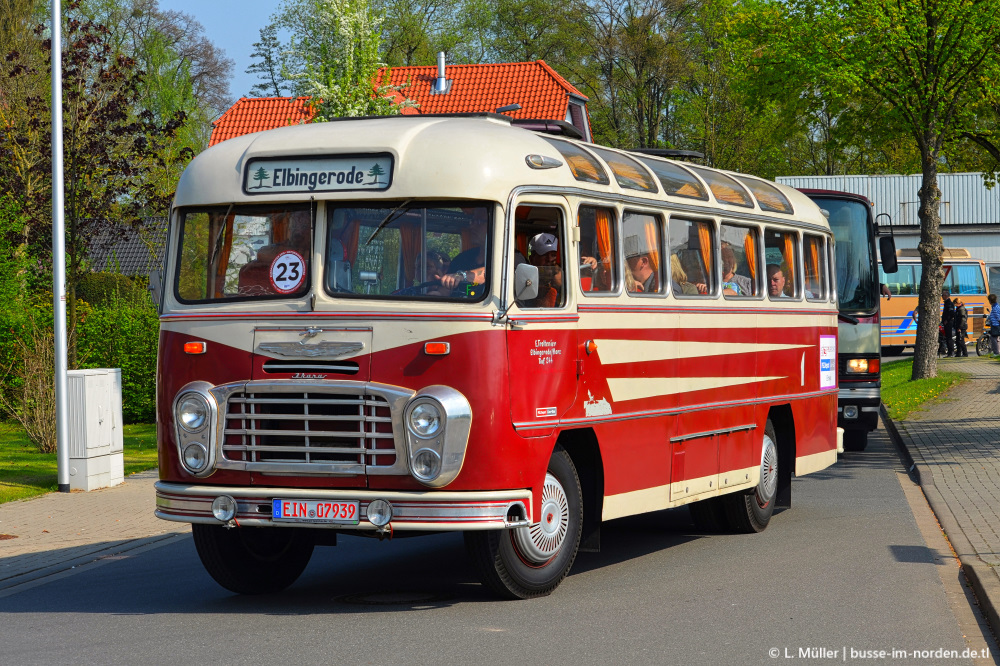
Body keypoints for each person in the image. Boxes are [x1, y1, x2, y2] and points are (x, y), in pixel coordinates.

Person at [528, 232, 564, 308]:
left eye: (553, 255)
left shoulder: (566, 277)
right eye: (544, 254)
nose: (550, 259)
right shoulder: (527, 280)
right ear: (532, 259)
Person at [940, 289, 956, 357]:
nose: (942, 296)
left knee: (949, 338)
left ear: (946, 296)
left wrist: (947, 320)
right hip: (946, 322)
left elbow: (951, 313)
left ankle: (951, 352)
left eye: (942, 295)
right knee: (947, 337)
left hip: (948, 323)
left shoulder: (949, 303)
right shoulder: (946, 303)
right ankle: (949, 352)